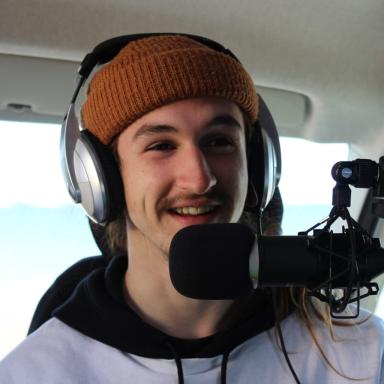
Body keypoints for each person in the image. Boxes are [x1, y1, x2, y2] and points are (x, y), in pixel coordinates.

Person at [1, 34, 383, 384]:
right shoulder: (35, 373)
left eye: (219, 141)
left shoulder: (361, 357)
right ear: (102, 180)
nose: (199, 180)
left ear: (259, 168)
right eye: (161, 146)